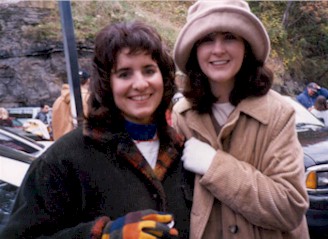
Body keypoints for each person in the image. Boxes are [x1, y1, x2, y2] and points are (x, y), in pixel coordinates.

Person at [0, 21, 193, 239]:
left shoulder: (182, 152)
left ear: (163, 77)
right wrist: (103, 235)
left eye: (149, 70)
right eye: (124, 74)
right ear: (106, 83)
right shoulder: (64, 159)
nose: (140, 84)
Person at [172, 0, 309, 238]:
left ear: (246, 46)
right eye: (206, 39)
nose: (218, 49)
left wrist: (214, 166)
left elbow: (290, 207)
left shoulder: (278, 113)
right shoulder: (182, 115)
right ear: (195, 50)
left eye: (229, 37)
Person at [51, 69, 91, 140]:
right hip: (80, 147)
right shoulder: (87, 99)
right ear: (88, 81)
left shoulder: (58, 101)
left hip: (60, 147)